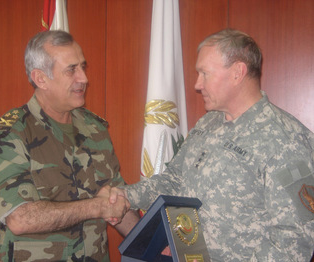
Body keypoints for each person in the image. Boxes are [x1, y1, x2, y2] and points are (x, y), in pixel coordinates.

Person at [109, 29, 314, 261]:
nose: (197, 84)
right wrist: (126, 196)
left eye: (205, 73)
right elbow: (175, 180)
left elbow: (294, 240)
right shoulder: (208, 123)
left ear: (238, 72)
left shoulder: (285, 139)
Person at [0, 30, 139, 262]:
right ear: (41, 78)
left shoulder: (95, 129)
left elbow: (115, 203)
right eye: (71, 70)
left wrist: (155, 245)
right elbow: (20, 218)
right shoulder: (9, 133)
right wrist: (96, 207)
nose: (84, 78)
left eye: (82, 67)